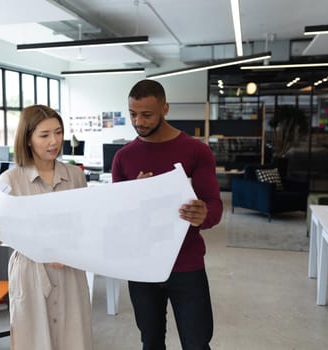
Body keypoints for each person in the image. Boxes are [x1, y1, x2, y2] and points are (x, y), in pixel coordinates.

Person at [112, 79, 223, 350]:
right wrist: (135, 198)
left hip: (186, 262)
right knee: (150, 342)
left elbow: (215, 206)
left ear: (165, 109)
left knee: (197, 343)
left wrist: (203, 214)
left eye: (147, 114)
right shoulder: (123, 158)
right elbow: (117, 218)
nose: (138, 121)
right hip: (142, 264)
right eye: (133, 114)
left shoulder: (197, 151)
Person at [0, 105, 94, 350]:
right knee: (33, 340)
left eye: (59, 132)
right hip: (30, 273)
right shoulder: (10, 180)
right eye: (44, 135)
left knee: (74, 338)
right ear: (28, 139)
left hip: (69, 268)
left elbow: (85, 224)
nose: (54, 141)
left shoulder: (75, 176)